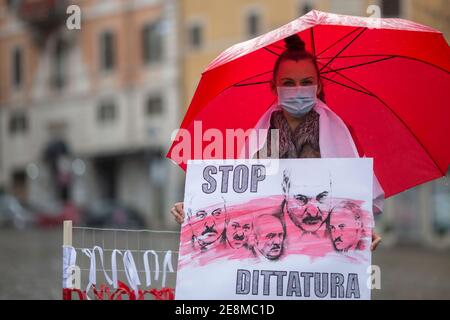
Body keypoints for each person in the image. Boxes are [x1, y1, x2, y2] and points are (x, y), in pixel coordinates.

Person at [171, 34, 382, 251]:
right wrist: (195, 210)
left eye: (306, 82)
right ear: (274, 88)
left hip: (322, 257)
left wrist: (365, 228)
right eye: (288, 83)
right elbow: (237, 193)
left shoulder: (342, 135)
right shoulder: (258, 139)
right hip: (270, 256)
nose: (298, 89)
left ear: (318, 87)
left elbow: (354, 196)